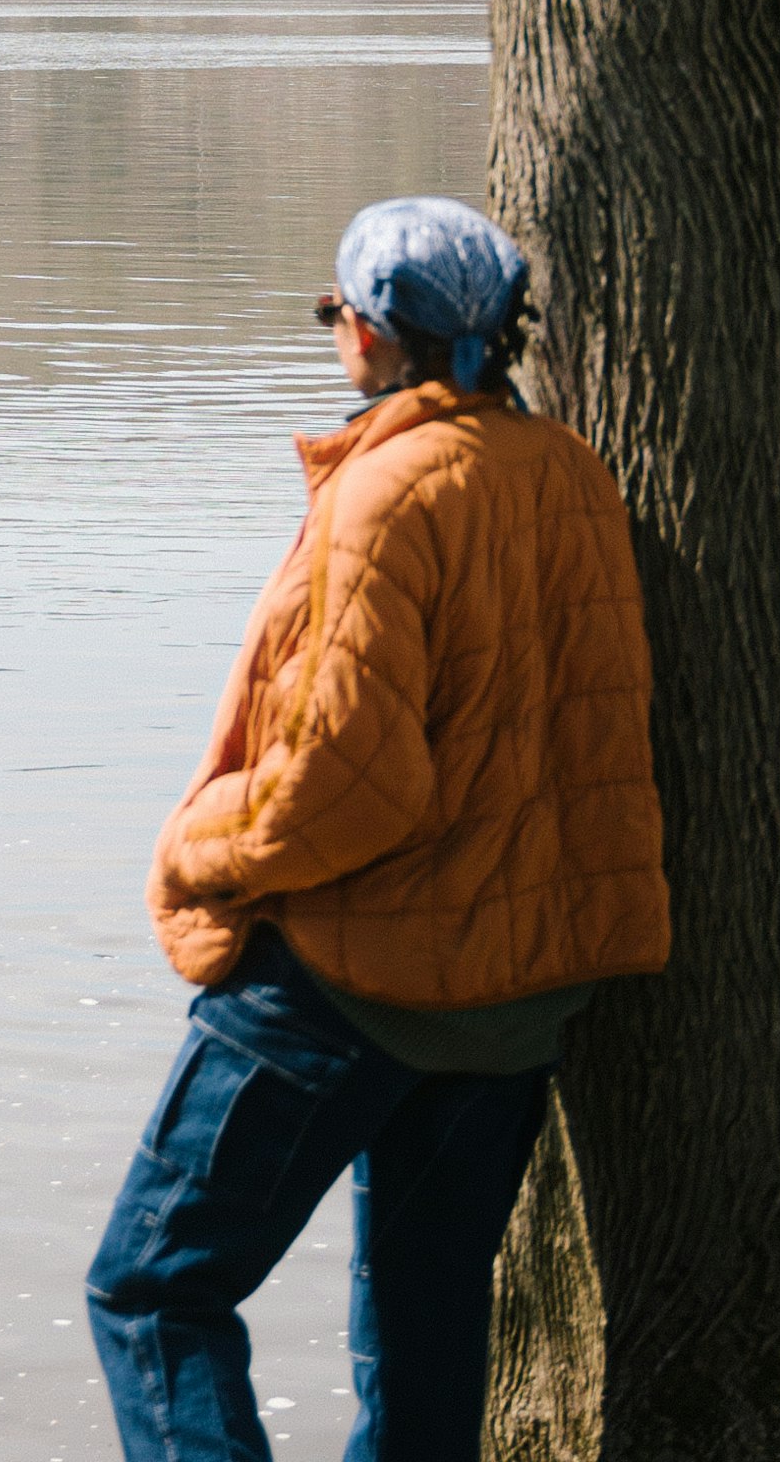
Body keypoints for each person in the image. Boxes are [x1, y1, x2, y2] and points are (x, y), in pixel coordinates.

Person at [84, 196, 670, 1462]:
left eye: (340, 310)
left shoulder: (387, 492)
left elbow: (349, 785)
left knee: (151, 1290)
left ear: (376, 337)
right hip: (513, 1002)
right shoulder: (570, 474)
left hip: (354, 983)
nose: (337, 331)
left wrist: (200, 845)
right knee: (427, 1334)